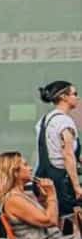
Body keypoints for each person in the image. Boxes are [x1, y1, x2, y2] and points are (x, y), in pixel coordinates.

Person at [34, 81, 81, 230]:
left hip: (43, 178)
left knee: (60, 223)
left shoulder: (43, 121)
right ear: (63, 97)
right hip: (62, 182)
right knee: (69, 220)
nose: (77, 98)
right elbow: (68, 155)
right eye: (75, 94)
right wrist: (77, 187)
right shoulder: (64, 121)